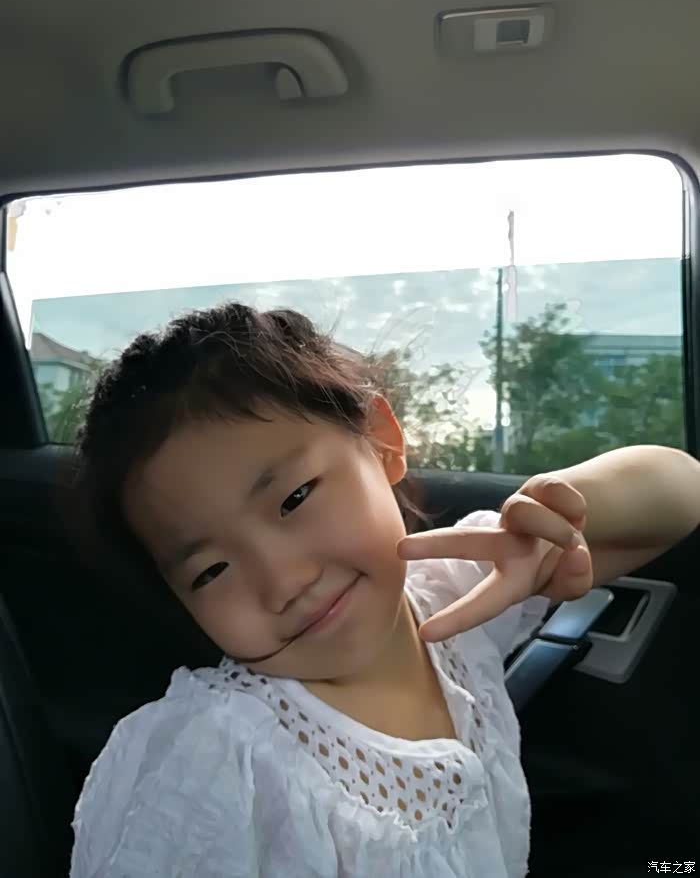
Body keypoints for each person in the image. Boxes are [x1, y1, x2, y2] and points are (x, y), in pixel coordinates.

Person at [68, 302, 700, 878]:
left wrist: (556, 516)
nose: (284, 583)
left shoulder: (453, 593)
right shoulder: (213, 760)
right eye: (210, 571)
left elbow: (681, 487)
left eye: (294, 498)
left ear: (381, 441)